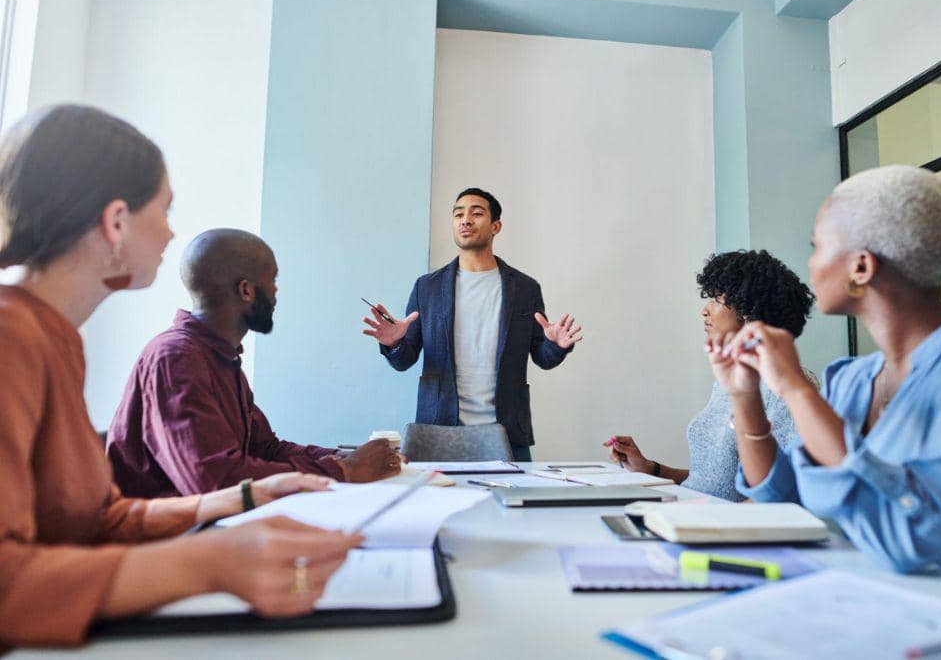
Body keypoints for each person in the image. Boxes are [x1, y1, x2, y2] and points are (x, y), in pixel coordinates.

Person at [0, 105, 362, 649]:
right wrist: (208, 562)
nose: (171, 232)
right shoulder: (12, 339)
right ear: (116, 221)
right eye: (164, 209)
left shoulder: (55, 340)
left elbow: (101, 521)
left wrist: (244, 498)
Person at [709, 165, 941, 579]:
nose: (811, 265)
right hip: (855, 597)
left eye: (818, 247)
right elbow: (781, 504)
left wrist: (795, 388)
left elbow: (906, 539)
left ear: (860, 267)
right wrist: (745, 397)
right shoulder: (849, 380)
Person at [106, 229, 401, 497]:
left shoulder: (220, 356)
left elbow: (265, 448)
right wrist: (342, 471)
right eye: (273, 279)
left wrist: (345, 457)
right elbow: (215, 482)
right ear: (246, 290)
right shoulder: (176, 358)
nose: (276, 291)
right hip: (171, 533)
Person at [362, 188, 582, 461]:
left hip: (507, 432)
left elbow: (543, 357)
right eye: (458, 214)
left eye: (476, 213)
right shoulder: (427, 288)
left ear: (495, 226)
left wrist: (556, 345)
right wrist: (394, 343)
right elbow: (404, 360)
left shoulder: (525, 288)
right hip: (438, 431)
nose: (465, 220)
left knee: (515, 491)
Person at [605, 250, 816, 501]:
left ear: (748, 311)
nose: (704, 311)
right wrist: (651, 469)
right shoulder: (731, 381)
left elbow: (780, 492)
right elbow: (714, 483)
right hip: (694, 511)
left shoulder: (781, 388)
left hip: (720, 522)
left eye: (716, 299)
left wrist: (710, 518)